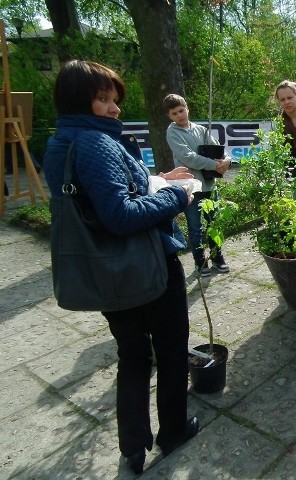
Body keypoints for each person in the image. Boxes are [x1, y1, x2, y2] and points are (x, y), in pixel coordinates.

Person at [43, 60, 199, 474]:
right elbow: (120, 214)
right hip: (147, 269)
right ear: (79, 100)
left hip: (104, 274)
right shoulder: (96, 143)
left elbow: (97, 200)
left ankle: (132, 445)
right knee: (169, 353)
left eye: (114, 99)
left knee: (132, 356)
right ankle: (173, 431)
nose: (113, 108)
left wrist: (157, 179)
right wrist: (177, 196)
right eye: (102, 98)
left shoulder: (62, 144)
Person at [163, 93, 231, 276]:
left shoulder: (201, 129)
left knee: (214, 223)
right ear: (169, 116)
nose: (179, 115)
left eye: (181, 110)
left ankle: (217, 257)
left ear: (187, 108)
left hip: (210, 185)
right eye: (174, 113)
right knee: (195, 226)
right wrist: (215, 165)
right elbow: (189, 158)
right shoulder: (172, 132)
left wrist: (227, 161)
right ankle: (200, 261)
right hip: (190, 186)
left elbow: (218, 149)